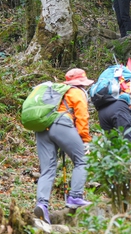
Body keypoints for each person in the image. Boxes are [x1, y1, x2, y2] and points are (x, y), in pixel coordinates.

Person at [33, 69, 93, 223]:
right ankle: (75, 196)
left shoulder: (56, 92)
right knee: (82, 160)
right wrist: (85, 139)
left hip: (42, 128)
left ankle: (42, 204)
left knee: (47, 169)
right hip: (61, 124)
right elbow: (82, 117)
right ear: (81, 83)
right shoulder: (76, 92)